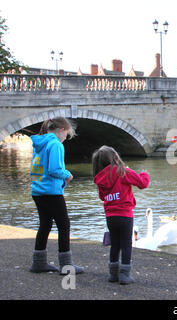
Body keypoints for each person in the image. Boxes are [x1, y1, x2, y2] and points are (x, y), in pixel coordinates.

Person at [29, 117, 84, 275]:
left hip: (37, 190)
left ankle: (38, 262)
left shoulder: (39, 144)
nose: (64, 139)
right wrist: (68, 175)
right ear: (61, 130)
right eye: (66, 136)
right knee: (64, 225)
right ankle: (66, 266)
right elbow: (54, 169)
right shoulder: (55, 145)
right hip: (51, 192)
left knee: (45, 224)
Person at [92, 145, 150, 284]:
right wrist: (144, 174)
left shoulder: (99, 177)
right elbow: (142, 184)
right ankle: (124, 275)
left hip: (110, 216)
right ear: (116, 158)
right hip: (125, 215)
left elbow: (102, 197)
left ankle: (113, 274)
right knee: (126, 245)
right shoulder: (123, 171)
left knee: (115, 244)